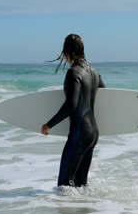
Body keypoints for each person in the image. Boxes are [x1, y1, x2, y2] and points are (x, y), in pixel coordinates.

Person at [41, 34, 105, 187]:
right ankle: (86, 208)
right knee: (80, 184)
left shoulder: (73, 73)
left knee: (64, 185)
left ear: (67, 51)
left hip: (80, 133)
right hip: (93, 133)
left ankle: (67, 210)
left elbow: (71, 105)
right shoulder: (94, 73)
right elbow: (104, 94)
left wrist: (48, 125)